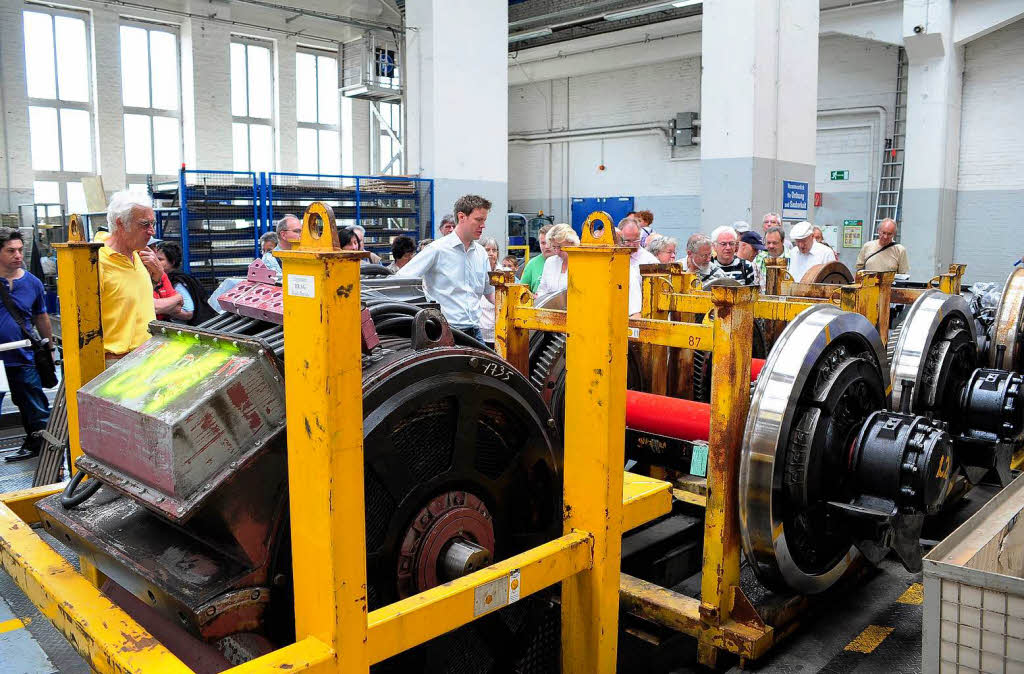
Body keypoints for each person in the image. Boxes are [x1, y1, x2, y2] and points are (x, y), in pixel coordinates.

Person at [396, 195, 494, 342]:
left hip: (475, 332)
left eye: (484, 220)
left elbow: (490, 292)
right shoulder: (437, 250)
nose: (483, 225)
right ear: (462, 217)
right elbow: (401, 280)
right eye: (479, 220)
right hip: (444, 332)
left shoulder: (481, 254)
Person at [0, 228, 52, 462]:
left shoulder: (33, 283)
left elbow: (41, 317)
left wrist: (50, 348)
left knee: (34, 404)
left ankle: (39, 446)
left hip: (23, 355)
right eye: (11, 250)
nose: (18, 255)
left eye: (20, 250)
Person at [100, 191, 161, 362]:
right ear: (120, 224)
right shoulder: (96, 262)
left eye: (153, 223)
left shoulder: (138, 255)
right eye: (144, 224)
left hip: (147, 355)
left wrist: (156, 278)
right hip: (116, 362)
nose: (152, 231)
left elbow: (134, 302)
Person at [154, 241, 215, 326]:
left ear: (172, 262)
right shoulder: (171, 278)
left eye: (160, 259)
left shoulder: (177, 282)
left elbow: (188, 313)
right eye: (155, 258)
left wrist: (163, 308)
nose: (156, 262)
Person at [620, 217, 659, 318]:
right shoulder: (613, 257)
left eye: (635, 240)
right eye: (627, 241)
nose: (632, 245)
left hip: (640, 315)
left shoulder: (650, 261)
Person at [535, 224, 579, 304]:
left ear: (572, 243)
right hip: (551, 312)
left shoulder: (582, 264)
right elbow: (542, 289)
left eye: (560, 247)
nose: (557, 252)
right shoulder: (550, 262)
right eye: (554, 247)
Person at [477, 237, 501, 346]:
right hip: (479, 332)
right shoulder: (475, 273)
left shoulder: (505, 274)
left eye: (494, 250)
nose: (491, 253)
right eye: (487, 250)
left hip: (499, 333)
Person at [519, 224, 554, 294]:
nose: (547, 246)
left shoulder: (565, 262)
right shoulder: (532, 264)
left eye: (549, 242)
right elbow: (521, 291)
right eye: (543, 243)